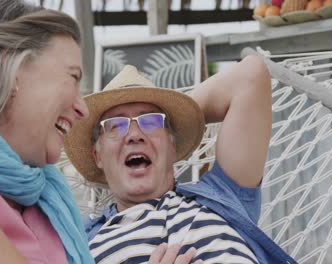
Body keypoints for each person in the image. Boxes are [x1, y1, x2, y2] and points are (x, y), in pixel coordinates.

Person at [0, 1, 196, 263]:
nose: (82, 109)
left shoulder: (45, 206)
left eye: (147, 121)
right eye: (73, 77)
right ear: (11, 70)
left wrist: (165, 124)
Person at [65, 61, 298, 263]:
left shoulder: (221, 195)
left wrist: (180, 118)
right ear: (97, 156)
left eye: (151, 121)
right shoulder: (82, 243)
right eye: (116, 125)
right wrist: (157, 129)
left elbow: (251, 75)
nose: (135, 135)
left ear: (172, 146)